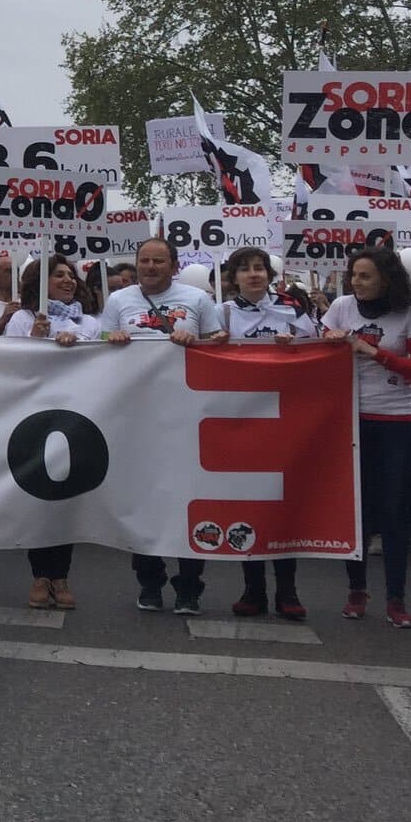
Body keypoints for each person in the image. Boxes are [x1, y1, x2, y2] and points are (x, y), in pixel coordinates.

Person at [100, 235, 228, 614]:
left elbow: (221, 342)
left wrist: (199, 342)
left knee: (188, 500)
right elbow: (99, 341)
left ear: (174, 266)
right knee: (144, 503)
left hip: (187, 417)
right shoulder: (119, 301)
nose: (150, 267)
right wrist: (113, 336)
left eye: (159, 261)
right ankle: (149, 581)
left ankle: (189, 586)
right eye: (144, 261)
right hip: (136, 418)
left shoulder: (198, 300)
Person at [322, 246, 411, 628]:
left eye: (365, 276)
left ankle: (396, 598)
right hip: (349, 420)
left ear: (386, 279)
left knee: (393, 512)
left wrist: (374, 353)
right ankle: (356, 590)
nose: (357, 282)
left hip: (397, 422)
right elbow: (318, 354)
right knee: (355, 512)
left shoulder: (409, 313)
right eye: (354, 275)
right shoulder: (340, 307)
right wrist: (328, 342)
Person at [218, 245, 317, 620]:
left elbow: (319, 352)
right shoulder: (223, 312)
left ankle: (288, 590)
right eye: (245, 269)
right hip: (242, 420)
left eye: (260, 268)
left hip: (285, 418)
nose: (254, 275)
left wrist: (296, 348)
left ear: (270, 275)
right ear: (234, 277)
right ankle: (253, 588)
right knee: (250, 505)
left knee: (282, 504)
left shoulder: (292, 309)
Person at [0, 253, 101, 609]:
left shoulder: (90, 322)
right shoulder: (23, 320)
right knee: (39, 499)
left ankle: (61, 575)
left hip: (77, 418)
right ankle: (40, 575)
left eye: (71, 275)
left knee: (66, 500)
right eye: (58, 276)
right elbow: (9, 367)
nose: (69, 281)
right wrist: (34, 339)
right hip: (33, 418)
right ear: (38, 284)